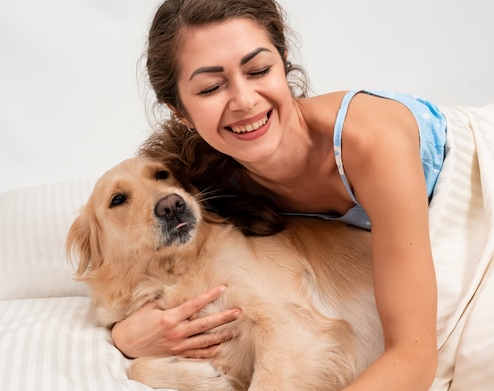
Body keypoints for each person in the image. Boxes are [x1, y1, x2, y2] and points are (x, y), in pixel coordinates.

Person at [112, 0, 444, 389]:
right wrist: (125, 337)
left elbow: (414, 354)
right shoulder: (205, 183)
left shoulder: (370, 144)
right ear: (179, 112)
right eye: (211, 87)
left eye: (259, 70)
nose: (245, 101)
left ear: (284, 63)